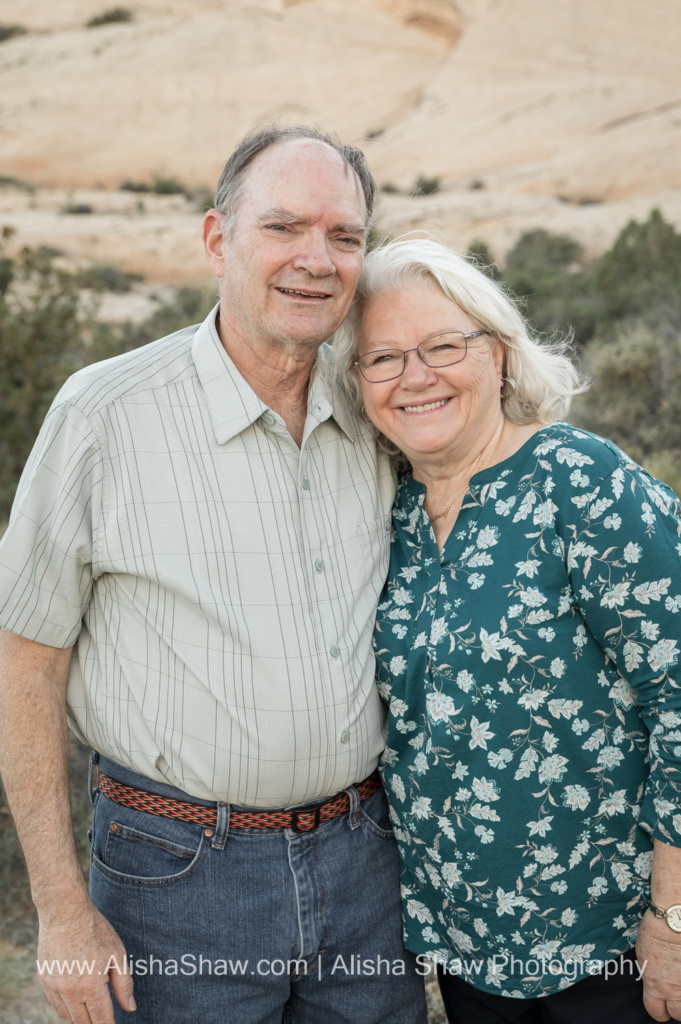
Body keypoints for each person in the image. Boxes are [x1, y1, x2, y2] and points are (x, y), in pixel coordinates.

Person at [0, 127, 428, 1024]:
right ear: (215, 239)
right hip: (174, 874)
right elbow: (23, 661)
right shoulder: (103, 415)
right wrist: (61, 907)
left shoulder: (384, 409)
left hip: (364, 863)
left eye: (344, 238)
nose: (316, 261)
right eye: (283, 228)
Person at [329, 236, 681, 1023]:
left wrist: (674, 922)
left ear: (498, 354)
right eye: (381, 358)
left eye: (442, 346)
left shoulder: (580, 483)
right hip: (469, 951)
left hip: (612, 942)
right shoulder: (385, 512)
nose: (413, 377)